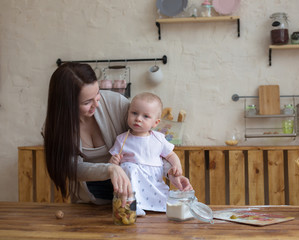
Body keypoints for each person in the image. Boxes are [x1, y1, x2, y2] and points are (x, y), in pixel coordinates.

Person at [44, 62, 192, 207]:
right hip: (90, 203)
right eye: (87, 102)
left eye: (97, 94)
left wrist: (172, 174)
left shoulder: (117, 104)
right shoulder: (56, 129)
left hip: (134, 200)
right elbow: (72, 168)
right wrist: (110, 169)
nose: (96, 104)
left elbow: (148, 145)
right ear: (67, 105)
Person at [108, 92, 184, 213]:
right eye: (134, 113)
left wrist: (177, 165)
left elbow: (170, 155)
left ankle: (159, 204)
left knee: (171, 201)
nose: (138, 119)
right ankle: (132, 206)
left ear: (155, 123)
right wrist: (114, 161)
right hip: (132, 181)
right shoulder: (122, 139)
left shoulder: (158, 139)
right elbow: (112, 163)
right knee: (129, 167)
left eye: (146, 116)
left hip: (153, 180)